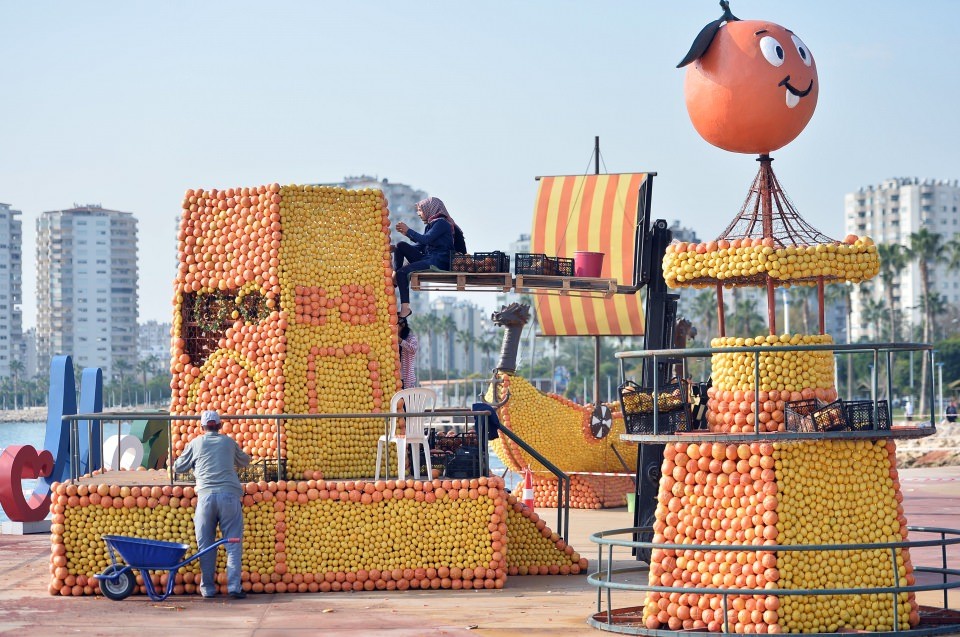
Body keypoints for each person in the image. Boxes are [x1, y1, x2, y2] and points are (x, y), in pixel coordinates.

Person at [173, 410, 251, 599]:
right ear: (220, 426)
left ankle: (207, 589)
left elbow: (178, 467)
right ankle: (234, 588)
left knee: (206, 545)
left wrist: (194, 465)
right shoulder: (229, 442)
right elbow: (246, 462)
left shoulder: (195, 443)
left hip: (205, 498)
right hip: (229, 497)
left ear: (202, 427)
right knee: (233, 544)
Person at [394, 197, 455, 319]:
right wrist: (400, 243)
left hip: (438, 261)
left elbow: (425, 239)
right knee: (400, 246)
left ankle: (405, 309)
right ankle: (395, 276)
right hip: (428, 257)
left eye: (420, 210)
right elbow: (421, 245)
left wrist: (409, 231)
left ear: (430, 209)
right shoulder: (431, 225)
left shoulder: (442, 224)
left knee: (403, 273)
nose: (418, 214)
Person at [398, 316, 419, 389]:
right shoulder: (389, 338)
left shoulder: (410, 338)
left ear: (402, 325)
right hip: (393, 378)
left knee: (407, 399)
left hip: (406, 379)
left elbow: (413, 349)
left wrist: (401, 341)